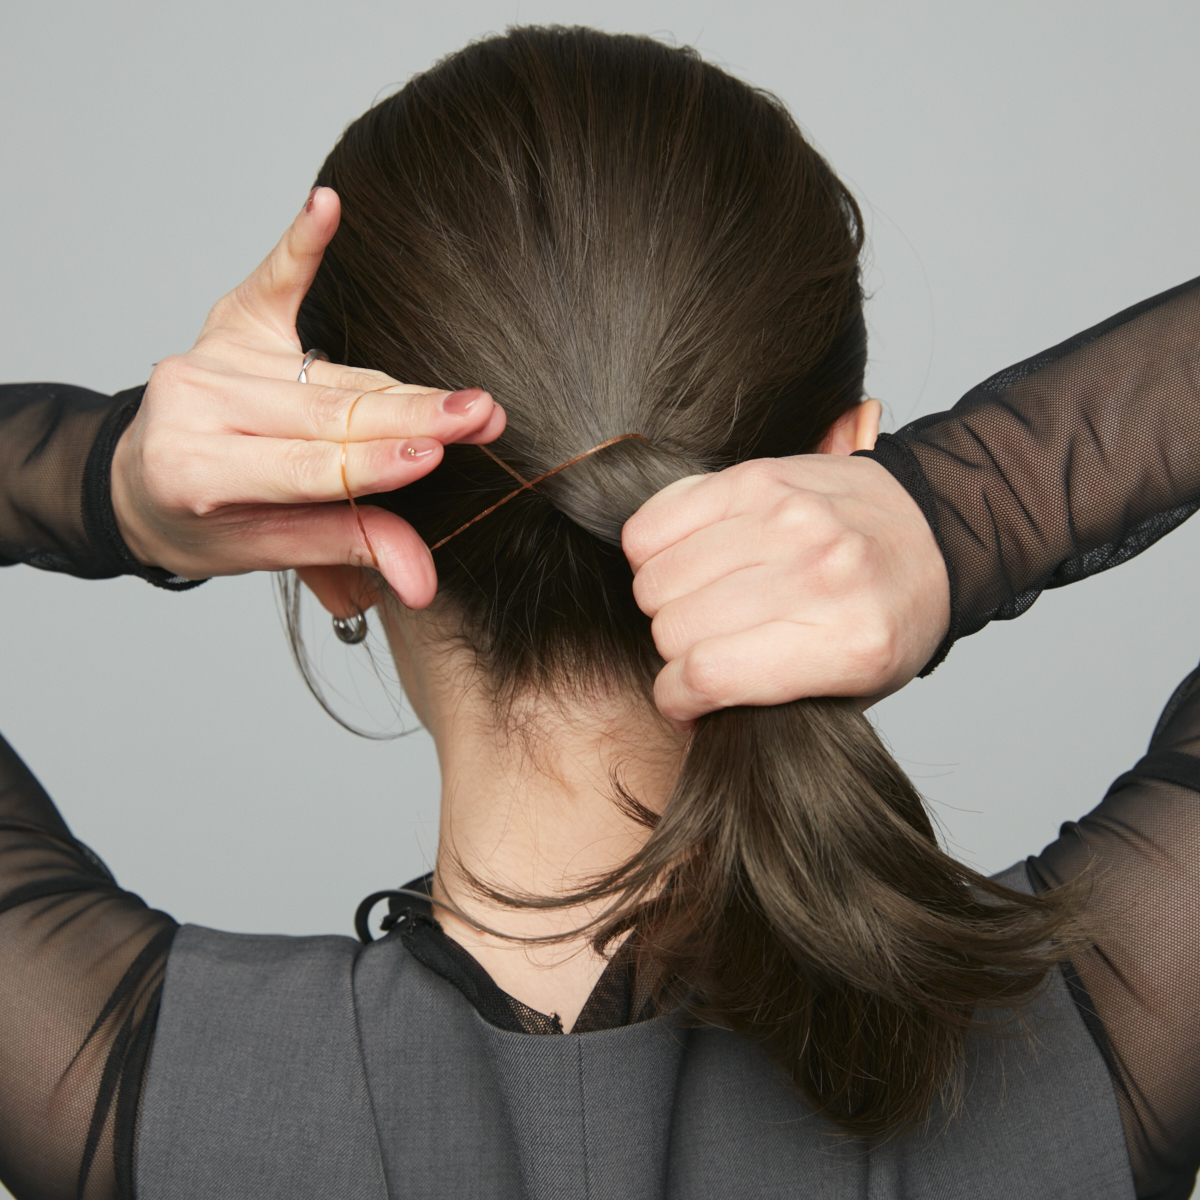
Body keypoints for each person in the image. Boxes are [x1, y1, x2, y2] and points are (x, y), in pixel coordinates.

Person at [0, 25, 1197, 1200]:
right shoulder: (1097, 1050)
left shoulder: (133, 1089)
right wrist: (964, 511)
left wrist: (105, 480)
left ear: (333, 555)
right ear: (839, 464)